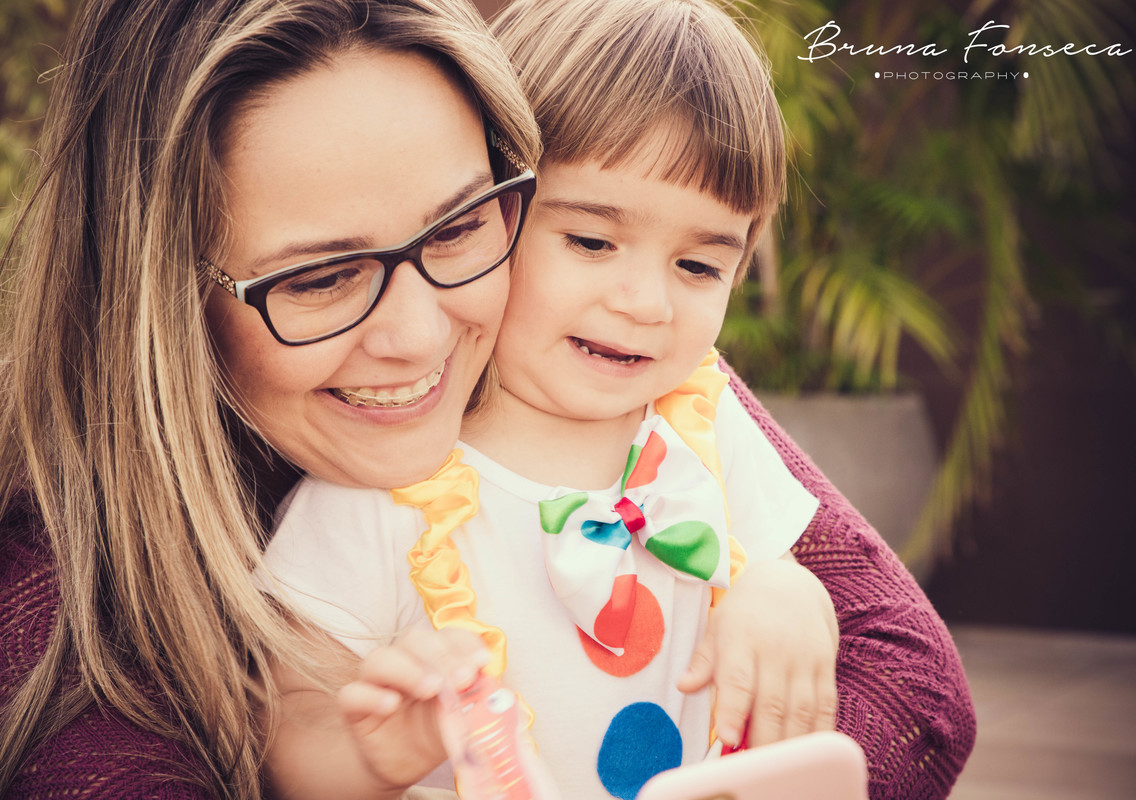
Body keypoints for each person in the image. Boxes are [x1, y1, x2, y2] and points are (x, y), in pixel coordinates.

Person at [262, 1, 975, 800]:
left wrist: (788, 593)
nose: (645, 303)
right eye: (592, 242)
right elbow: (294, 739)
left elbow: (793, 578)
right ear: (482, 220)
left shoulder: (704, 427)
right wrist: (373, 759)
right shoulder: (384, 478)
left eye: (699, 266)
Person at [0, 0, 541, 798]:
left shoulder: (566, 331)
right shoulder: (53, 658)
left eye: (458, 227)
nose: (421, 336)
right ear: (160, 303)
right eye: (322, 278)